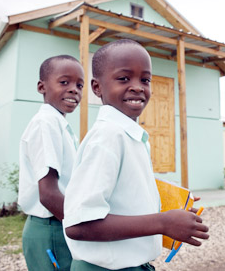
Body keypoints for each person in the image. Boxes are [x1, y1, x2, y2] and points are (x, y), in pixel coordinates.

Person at [63, 39, 209, 270]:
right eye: (124, 78)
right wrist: (162, 222)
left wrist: (169, 212)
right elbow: (79, 225)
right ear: (97, 87)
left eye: (145, 80)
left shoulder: (130, 136)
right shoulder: (109, 137)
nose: (138, 87)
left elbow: (123, 199)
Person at [18, 55, 84, 271]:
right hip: (51, 228)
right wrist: (87, 226)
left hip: (60, 223)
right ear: (41, 87)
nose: (74, 89)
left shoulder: (58, 123)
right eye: (64, 82)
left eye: (79, 85)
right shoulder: (46, 123)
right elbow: (48, 195)